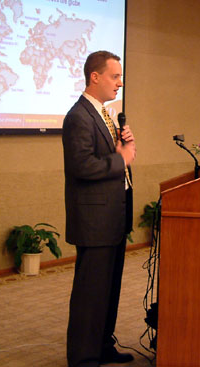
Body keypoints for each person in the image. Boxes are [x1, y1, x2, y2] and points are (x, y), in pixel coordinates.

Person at [63, 50, 136, 367]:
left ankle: (103, 345)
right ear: (95, 77)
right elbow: (82, 166)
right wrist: (120, 159)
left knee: (108, 290)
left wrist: (123, 148)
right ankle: (83, 358)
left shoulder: (105, 115)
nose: (120, 83)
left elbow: (109, 160)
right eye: (115, 76)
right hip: (94, 221)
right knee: (90, 294)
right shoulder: (78, 117)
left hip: (113, 217)